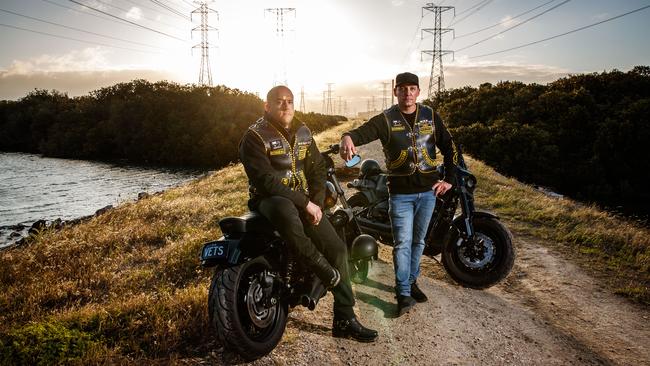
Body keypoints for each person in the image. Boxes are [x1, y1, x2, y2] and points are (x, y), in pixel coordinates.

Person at [239, 85, 378, 342]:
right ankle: (323, 270)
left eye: (289, 101)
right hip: (269, 201)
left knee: (337, 248)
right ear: (267, 106)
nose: (285, 106)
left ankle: (345, 318)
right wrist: (305, 204)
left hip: (302, 202)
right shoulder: (255, 136)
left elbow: (316, 170)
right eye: (279, 102)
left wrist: (316, 204)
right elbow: (266, 181)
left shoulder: (303, 132)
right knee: (285, 210)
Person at [340, 72, 457, 316]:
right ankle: (403, 292)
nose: (407, 93)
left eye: (412, 88)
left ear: (418, 92)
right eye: (402, 89)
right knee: (402, 243)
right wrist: (347, 136)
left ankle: (411, 282)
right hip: (401, 195)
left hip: (428, 193)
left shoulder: (431, 116)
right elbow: (363, 132)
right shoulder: (386, 119)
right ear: (396, 92)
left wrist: (449, 180)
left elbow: (451, 147)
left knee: (419, 241)